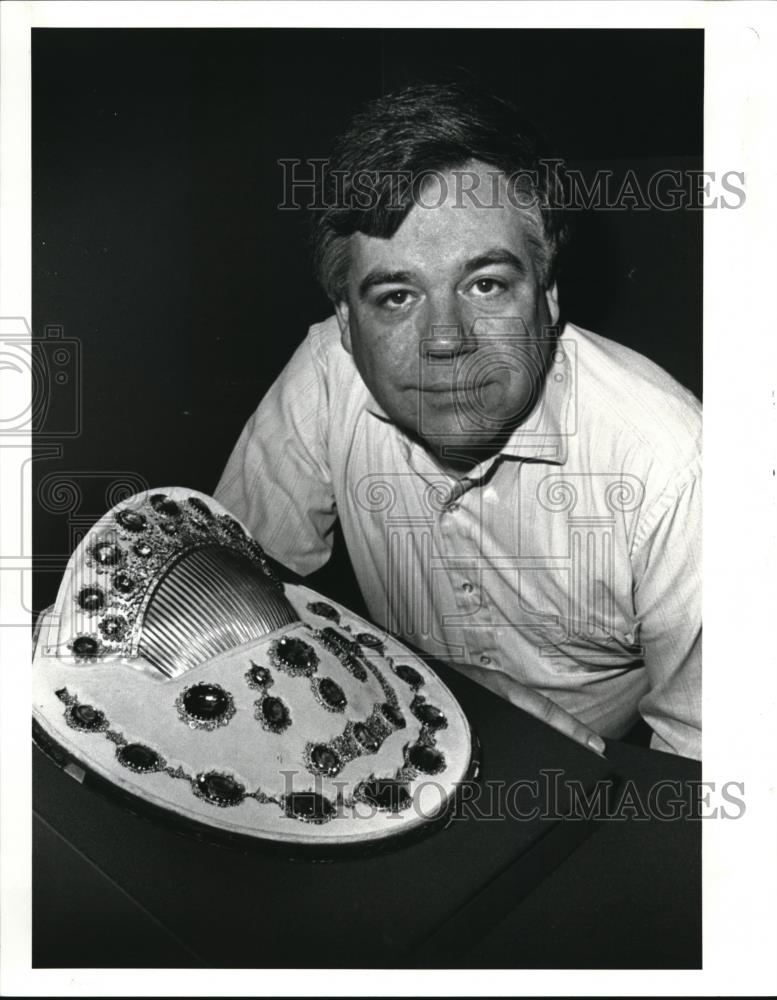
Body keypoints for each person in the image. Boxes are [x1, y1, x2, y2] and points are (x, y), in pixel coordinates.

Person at [215, 83, 701, 760]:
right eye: (396, 296)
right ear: (347, 323)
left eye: (486, 284)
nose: (444, 340)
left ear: (550, 294)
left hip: (580, 782)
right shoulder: (327, 370)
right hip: (373, 727)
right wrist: (407, 680)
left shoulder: (678, 469)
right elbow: (226, 591)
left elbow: (702, 767)